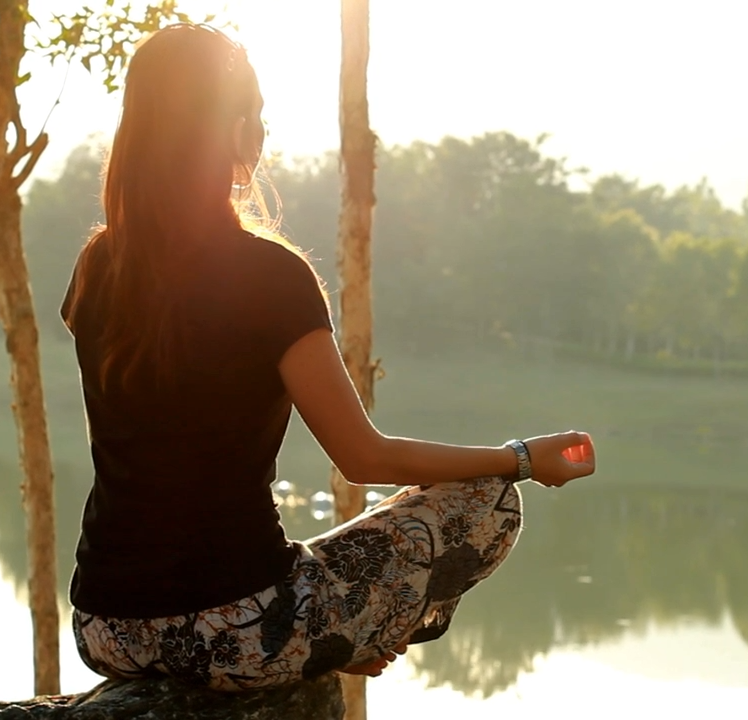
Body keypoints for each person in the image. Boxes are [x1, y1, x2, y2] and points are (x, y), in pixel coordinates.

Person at [60, 23, 596, 692]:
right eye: (256, 117)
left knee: (303, 567)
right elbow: (363, 458)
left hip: (103, 626)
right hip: (238, 629)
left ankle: (326, 641)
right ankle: (334, 640)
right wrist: (520, 460)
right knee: (487, 504)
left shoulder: (99, 264)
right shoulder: (270, 276)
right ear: (233, 128)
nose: (262, 135)